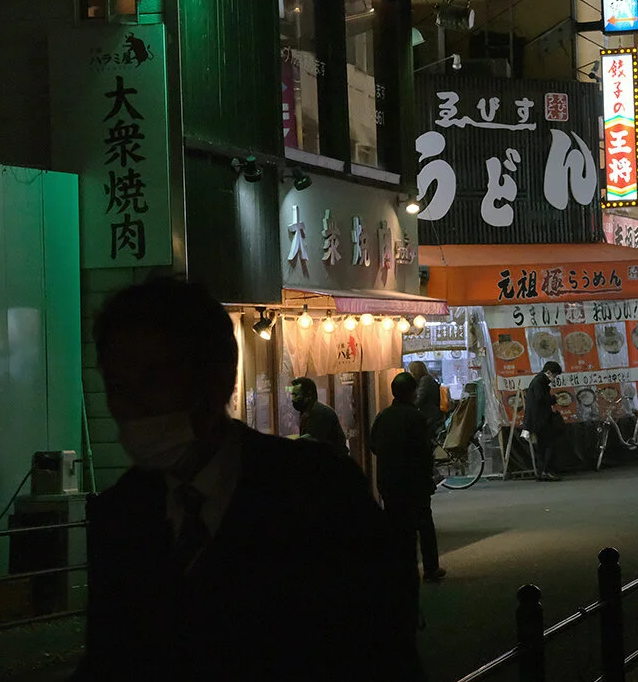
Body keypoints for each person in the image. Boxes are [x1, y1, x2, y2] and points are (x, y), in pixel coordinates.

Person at [75, 278, 418, 680]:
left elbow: (383, 648)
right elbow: (108, 657)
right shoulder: (121, 513)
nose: (133, 406)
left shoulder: (316, 490)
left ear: (218, 377)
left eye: (152, 380)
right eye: (117, 386)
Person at [373, 372, 445, 582]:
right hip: (414, 483)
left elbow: (373, 445)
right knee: (423, 524)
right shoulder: (415, 417)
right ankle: (430, 568)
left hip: (389, 482)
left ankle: (399, 570)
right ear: (413, 392)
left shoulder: (383, 416)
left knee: (396, 526)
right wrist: (428, 478)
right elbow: (423, 452)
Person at [522, 361, 564, 481]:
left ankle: (542, 472)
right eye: (554, 375)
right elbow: (541, 400)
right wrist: (554, 398)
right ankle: (546, 471)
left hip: (537, 419)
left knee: (542, 447)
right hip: (540, 419)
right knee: (549, 444)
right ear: (549, 372)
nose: (554, 378)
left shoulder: (539, 380)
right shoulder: (539, 382)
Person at [289, 377, 347, 456]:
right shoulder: (307, 413)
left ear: (308, 395)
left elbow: (311, 441)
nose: (293, 399)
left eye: (296, 395)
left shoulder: (320, 413)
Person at [407, 361, 445, 434]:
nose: (410, 373)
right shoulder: (427, 379)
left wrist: (407, 407)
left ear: (415, 371)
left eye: (410, 371)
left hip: (430, 417)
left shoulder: (425, 380)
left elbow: (419, 399)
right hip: (432, 415)